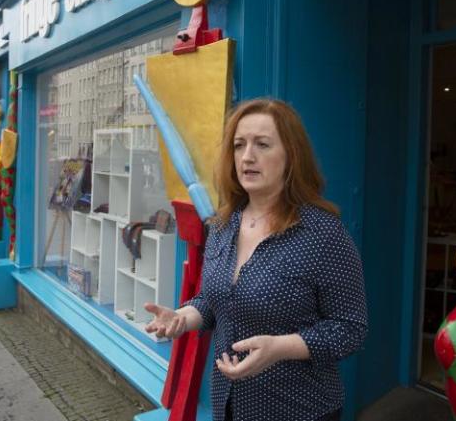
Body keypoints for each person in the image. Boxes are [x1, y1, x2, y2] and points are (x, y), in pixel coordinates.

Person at [144, 99, 368, 421]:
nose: (247, 156)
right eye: (239, 145)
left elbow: (351, 328)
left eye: (262, 144)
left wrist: (281, 348)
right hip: (229, 405)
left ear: (291, 155)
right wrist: (183, 317)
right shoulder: (223, 225)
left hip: (299, 411)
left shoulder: (322, 232)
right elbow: (213, 300)